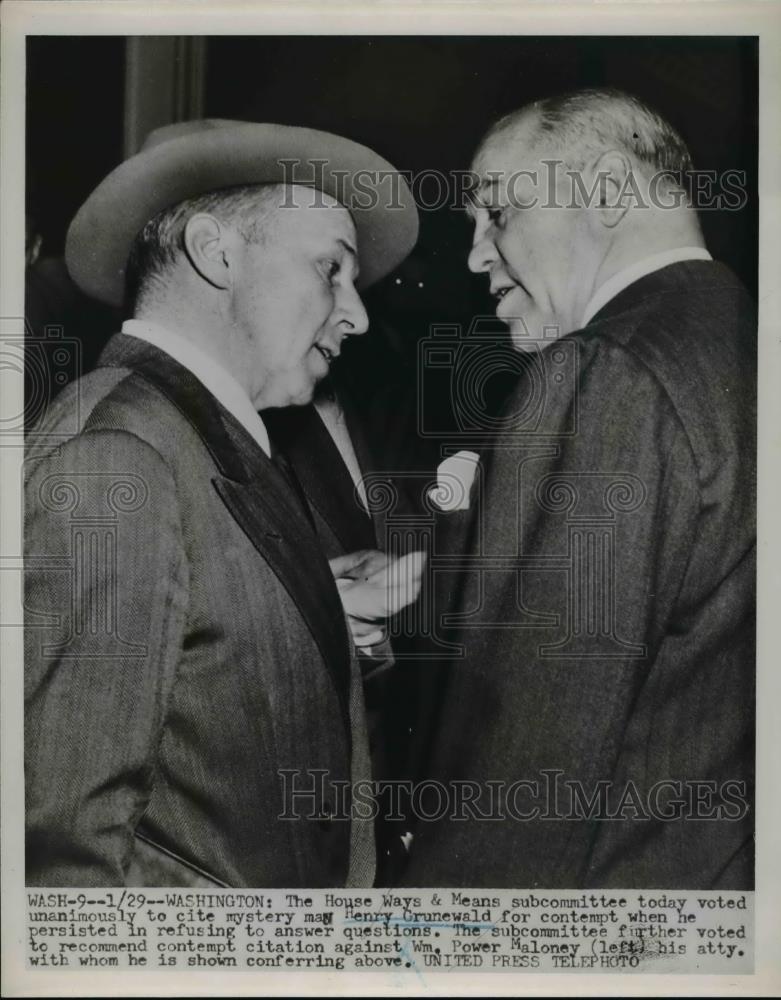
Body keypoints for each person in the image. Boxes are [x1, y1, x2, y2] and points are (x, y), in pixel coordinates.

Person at [24, 118, 420, 888]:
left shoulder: (206, 437)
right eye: (329, 269)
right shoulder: (117, 458)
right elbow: (62, 859)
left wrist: (328, 621)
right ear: (216, 252)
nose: (357, 314)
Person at [398, 88, 755, 888]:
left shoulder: (607, 371)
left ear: (603, 190)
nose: (475, 255)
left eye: (496, 212)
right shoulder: (735, 336)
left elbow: (527, 762)